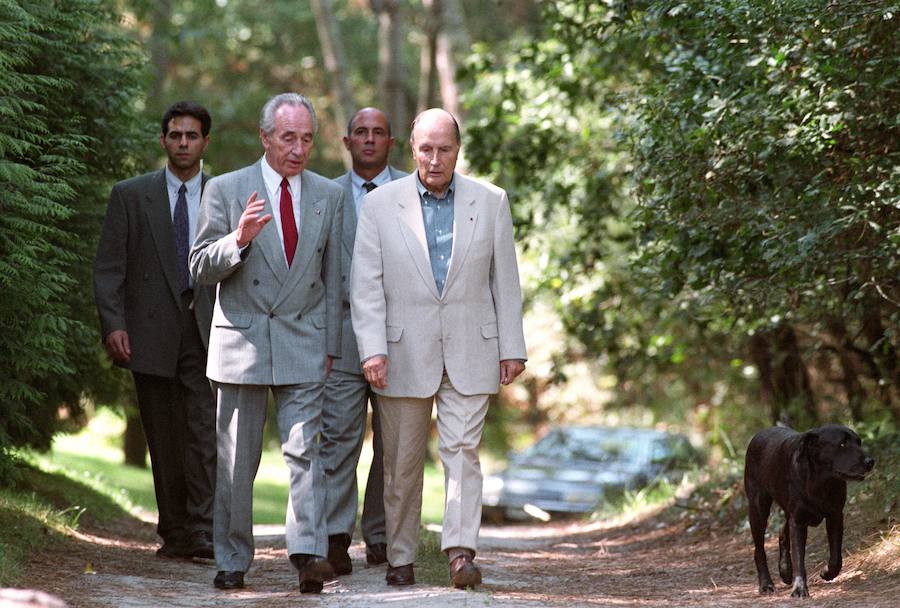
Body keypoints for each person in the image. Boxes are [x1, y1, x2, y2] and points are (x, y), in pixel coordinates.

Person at [350, 108, 527, 589]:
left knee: (463, 452)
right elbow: (365, 286)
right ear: (412, 149)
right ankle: (401, 556)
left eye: (444, 149)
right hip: (402, 351)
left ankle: (460, 553)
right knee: (401, 464)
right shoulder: (381, 205)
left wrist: (512, 347)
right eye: (425, 149)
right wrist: (371, 350)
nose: (434, 159)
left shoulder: (490, 201)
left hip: (473, 348)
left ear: (457, 150)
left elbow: (505, 281)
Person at [189, 93, 344, 593]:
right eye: (287, 138)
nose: (297, 150)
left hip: (305, 338)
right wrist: (238, 238)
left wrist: (332, 345)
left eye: (306, 139)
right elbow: (198, 267)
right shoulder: (226, 188)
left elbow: (335, 278)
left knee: (306, 453)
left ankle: (310, 555)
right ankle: (232, 559)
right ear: (264, 138)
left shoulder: (328, 194)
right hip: (242, 342)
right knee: (237, 461)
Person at [94, 101, 217, 560]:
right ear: (163, 140)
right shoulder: (131, 195)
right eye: (175, 135)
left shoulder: (223, 194)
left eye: (192, 135)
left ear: (205, 141)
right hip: (149, 333)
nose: (183, 142)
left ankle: (204, 529)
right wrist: (114, 325)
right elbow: (109, 268)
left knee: (204, 433)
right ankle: (176, 531)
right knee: (163, 437)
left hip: (209, 332)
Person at [323, 108, 407, 574]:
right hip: (341, 339)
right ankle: (336, 537)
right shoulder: (327, 194)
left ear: (391, 142)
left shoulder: (411, 194)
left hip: (398, 338)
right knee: (338, 440)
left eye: (378, 132)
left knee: (393, 444)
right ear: (347, 140)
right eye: (361, 132)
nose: (369, 140)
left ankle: (380, 534)